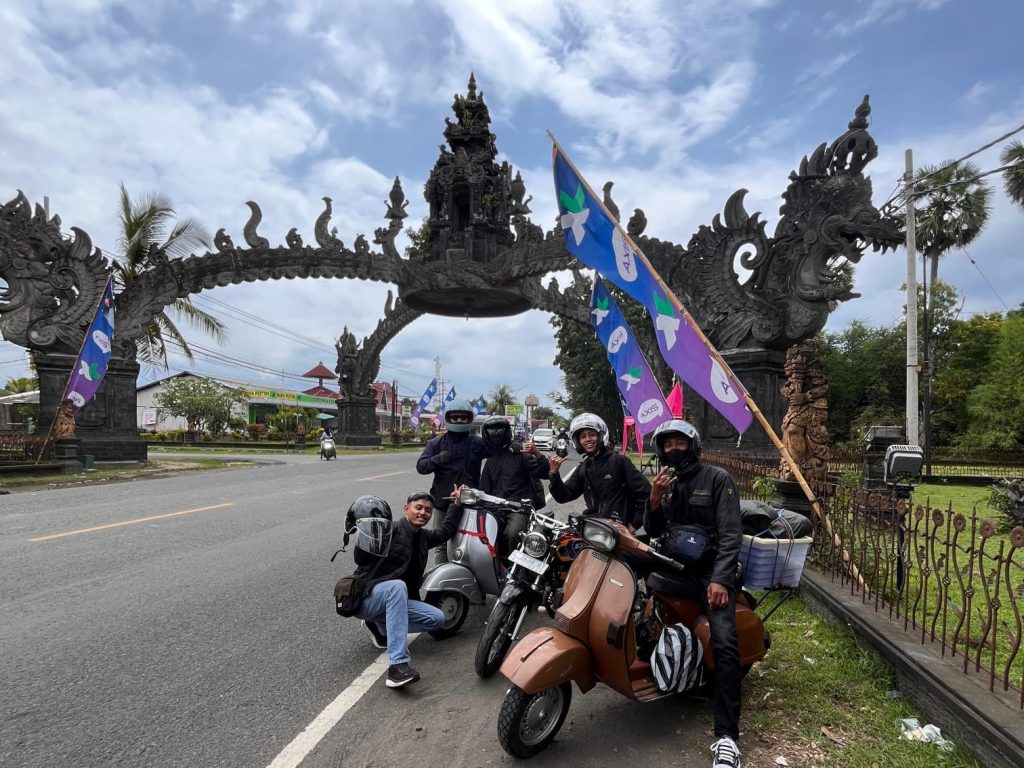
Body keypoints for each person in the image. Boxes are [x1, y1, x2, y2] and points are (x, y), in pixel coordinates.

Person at [644, 420, 743, 768]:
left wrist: (721, 578)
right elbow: (654, 529)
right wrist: (653, 499)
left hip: (710, 569)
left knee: (725, 640)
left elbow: (732, 535)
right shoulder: (665, 484)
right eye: (667, 444)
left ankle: (727, 737)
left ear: (693, 446)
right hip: (672, 560)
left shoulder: (718, 479)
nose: (673, 449)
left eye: (680, 443)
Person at [348, 491, 461, 688]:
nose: (423, 513)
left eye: (428, 510)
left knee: (437, 619)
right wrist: (365, 533)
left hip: (394, 601)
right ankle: (397, 666)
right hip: (366, 598)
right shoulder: (388, 530)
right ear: (406, 508)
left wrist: (457, 504)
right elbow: (361, 559)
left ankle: (379, 626)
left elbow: (446, 532)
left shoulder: (424, 537)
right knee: (396, 587)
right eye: (418, 507)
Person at [415, 399, 490, 562]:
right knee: (440, 543)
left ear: (469, 419)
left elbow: (497, 450)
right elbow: (421, 466)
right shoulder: (436, 443)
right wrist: (437, 459)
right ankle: (441, 581)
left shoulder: (477, 443)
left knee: (474, 541)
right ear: (448, 418)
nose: (459, 421)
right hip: (443, 502)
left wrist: (513, 445)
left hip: (471, 502)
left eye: (463, 418)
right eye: (455, 418)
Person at [547, 412, 650, 529]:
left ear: (601, 436)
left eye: (592, 435)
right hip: (594, 527)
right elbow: (564, 496)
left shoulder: (618, 461)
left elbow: (645, 493)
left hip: (618, 529)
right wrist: (554, 474)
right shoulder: (584, 467)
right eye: (583, 436)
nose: (588, 439)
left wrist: (633, 524)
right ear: (578, 441)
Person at [478, 416, 550, 557]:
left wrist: (536, 453)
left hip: (519, 507)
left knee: (511, 534)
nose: (496, 434)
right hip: (494, 507)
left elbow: (545, 472)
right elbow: (483, 490)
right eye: (492, 431)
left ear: (506, 431)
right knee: (480, 533)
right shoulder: (490, 461)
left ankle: (514, 571)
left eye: (499, 430)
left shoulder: (521, 454)